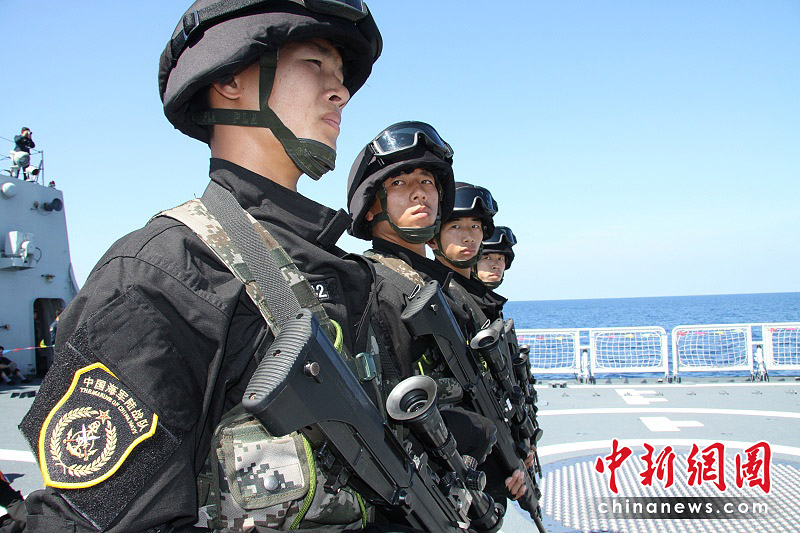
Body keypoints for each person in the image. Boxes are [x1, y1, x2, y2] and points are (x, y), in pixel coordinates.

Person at [20, 1, 382, 531]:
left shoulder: (340, 271)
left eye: (341, 73)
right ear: (230, 79)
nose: (341, 91)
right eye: (315, 63)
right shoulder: (161, 275)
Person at [347, 125, 529, 508]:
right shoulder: (368, 284)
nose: (420, 192)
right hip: (418, 494)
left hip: (461, 481)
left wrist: (506, 459)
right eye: (399, 182)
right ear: (372, 204)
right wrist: (478, 434)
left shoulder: (440, 289)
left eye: (427, 181)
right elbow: (385, 413)